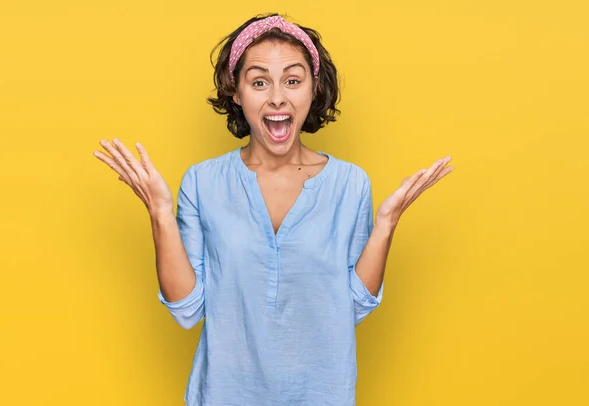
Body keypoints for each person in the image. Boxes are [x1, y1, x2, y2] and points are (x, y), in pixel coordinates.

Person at [93, 12, 454, 406]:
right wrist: (160, 213)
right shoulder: (202, 182)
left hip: (322, 395)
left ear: (314, 89)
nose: (278, 97)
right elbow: (186, 309)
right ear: (236, 91)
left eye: (293, 80)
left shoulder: (350, 184)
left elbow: (348, 308)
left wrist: (386, 224)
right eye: (259, 81)